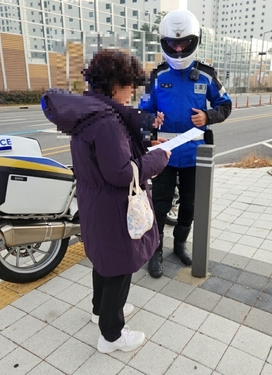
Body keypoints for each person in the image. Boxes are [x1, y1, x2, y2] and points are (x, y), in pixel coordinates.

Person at [41, 49, 170, 353]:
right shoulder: (106, 121)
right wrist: (159, 158)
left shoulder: (88, 112)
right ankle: (111, 334)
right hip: (113, 205)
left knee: (103, 260)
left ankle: (100, 309)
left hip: (95, 202)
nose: (132, 92)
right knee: (120, 266)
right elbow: (122, 172)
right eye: (130, 86)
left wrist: (148, 136)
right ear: (116, 85)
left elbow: (114, 148)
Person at [139, 9, 232, 278]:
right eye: (173, 44)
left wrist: (208, 115)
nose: (178, 49)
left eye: (184, 43)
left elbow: (225, 106)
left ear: (194, 41)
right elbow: (142, 113)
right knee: (159, 206)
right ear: (164, 43)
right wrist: (149, 122)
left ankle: (179, 245)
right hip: (164, 155)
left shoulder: (206, 75)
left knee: (190, 206)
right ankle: (155, 251)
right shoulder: (156, 77)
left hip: (195, 156)